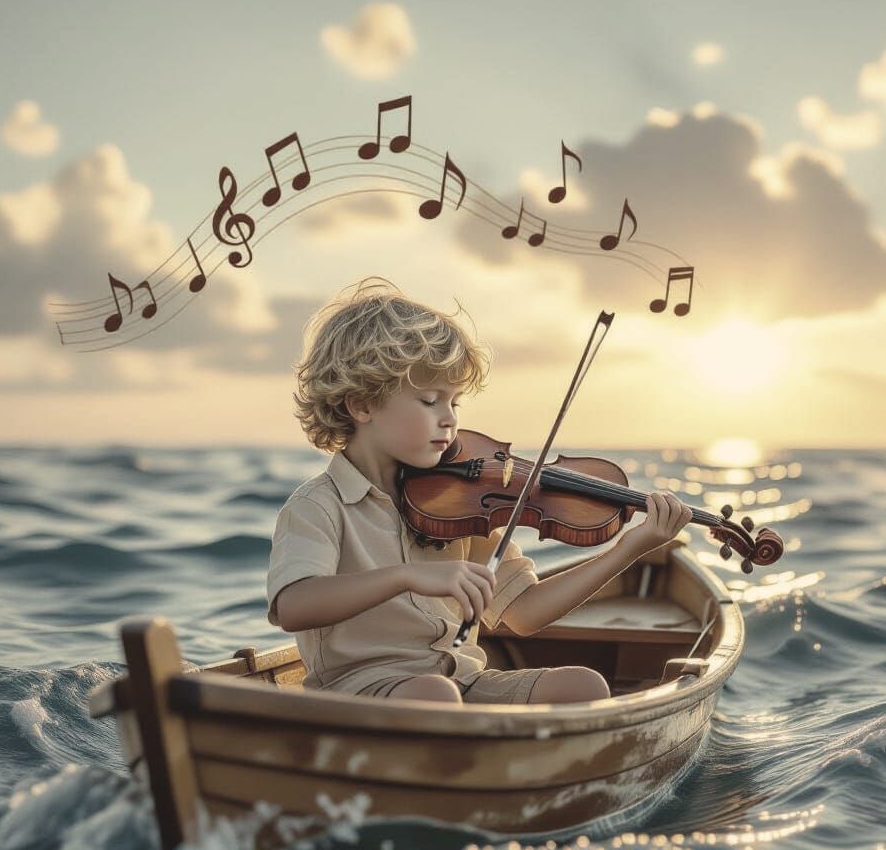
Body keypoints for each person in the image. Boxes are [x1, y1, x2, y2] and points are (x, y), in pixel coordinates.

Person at [266, 276, 692, 705]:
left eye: (454, 402)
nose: (450, 418)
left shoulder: (458, 503)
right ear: (361, 405)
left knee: (584, 686)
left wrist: (628, 549)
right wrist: (405, 576)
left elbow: (525, 614)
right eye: (430, 400)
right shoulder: (318, 506)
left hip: (462, 681)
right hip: (359, 693)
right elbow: (294, 606)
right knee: (433, 695)